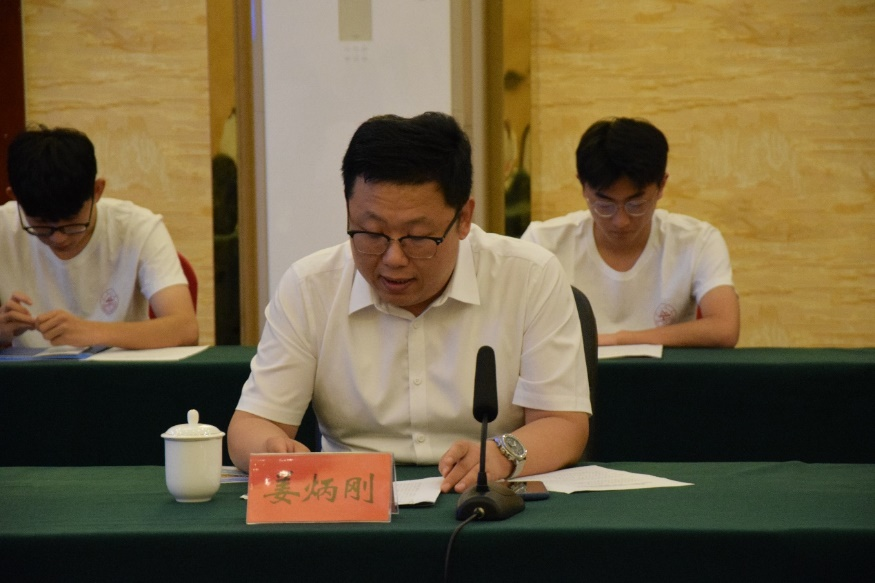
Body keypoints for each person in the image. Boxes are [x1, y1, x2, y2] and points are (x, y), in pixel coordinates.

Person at [228, 112, 591, 494]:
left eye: (417, 238)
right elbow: (251, 424)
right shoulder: (309, 287)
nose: (393, 258)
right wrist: (271, 449)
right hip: (356, 505)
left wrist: (501, 454)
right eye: (371, 233)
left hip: (484, 499)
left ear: (463, 219)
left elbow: (563, 423)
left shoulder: (529, 276)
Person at [522, 117, 740, 347]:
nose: (621, 221)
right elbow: (512, 328)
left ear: (662, 185)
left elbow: (724, 328)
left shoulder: (697, 240)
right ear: (583, 185)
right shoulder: (543, 242)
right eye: (604, 205)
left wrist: (619, 339)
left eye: (636, 205)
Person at [0, 125, 198, 349]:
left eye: (72, 222)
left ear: (97, 191)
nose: (58, 239)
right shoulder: (3, 228)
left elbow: (185, 329)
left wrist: (90, 331)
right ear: (15, 198)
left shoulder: (138, 227)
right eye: (41, 224)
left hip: (122, 370)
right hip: (30, 372)